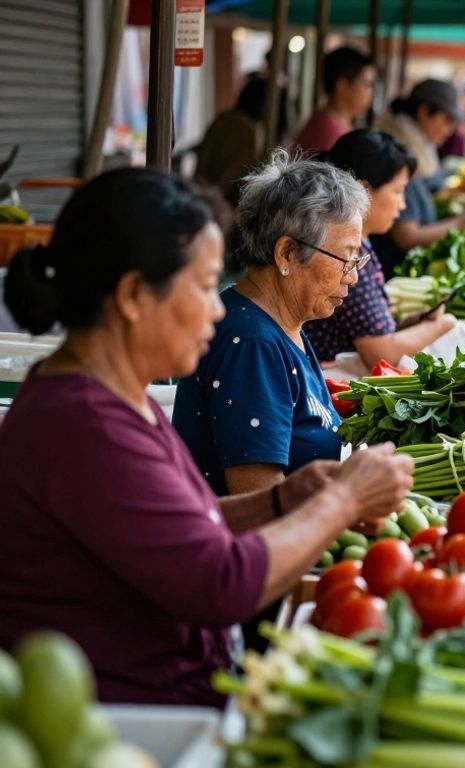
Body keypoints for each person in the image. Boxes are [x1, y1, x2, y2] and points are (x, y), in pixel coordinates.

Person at [0, 168, 413, 705]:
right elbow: (219, 584)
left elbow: (192, 526)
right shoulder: (80, 424)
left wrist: (289, 497)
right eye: (201, 287)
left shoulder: (116, 399)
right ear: (132, 296)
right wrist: (342, 499)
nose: (218, 307)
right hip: (144, 716)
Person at [174, 153, 368, 498]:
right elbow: (257, 500)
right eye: (345, 258)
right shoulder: (252, 344)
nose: (352, 276)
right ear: (287, 254)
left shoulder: (282, 322)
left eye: (357, 259)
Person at [305, 130, 458, 366]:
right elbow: (381, 354)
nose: (403, 204)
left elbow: (374, 332)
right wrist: (442, 325)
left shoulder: (360, 243)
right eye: (398, 191)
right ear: (364, 191)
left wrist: (416, 322)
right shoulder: (346, 253)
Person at [371, 79, 465, 276]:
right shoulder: (400, 151)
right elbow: (406, 235)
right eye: (446, 120)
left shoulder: (418, 148)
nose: (449, 130)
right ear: (424, 111)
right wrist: (462, 222)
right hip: (392, 272)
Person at [195, 74, 268, 205]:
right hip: (228, 201)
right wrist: (218, 191)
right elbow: (238, 170)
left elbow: (203, 156)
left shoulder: (222, 119)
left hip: (202, 191)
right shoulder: (253, 132)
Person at [291, 47, 376, 155]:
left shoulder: (328, 123)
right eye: (366, 84)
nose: (370, 92)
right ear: (342, 85)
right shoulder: (330, 135)